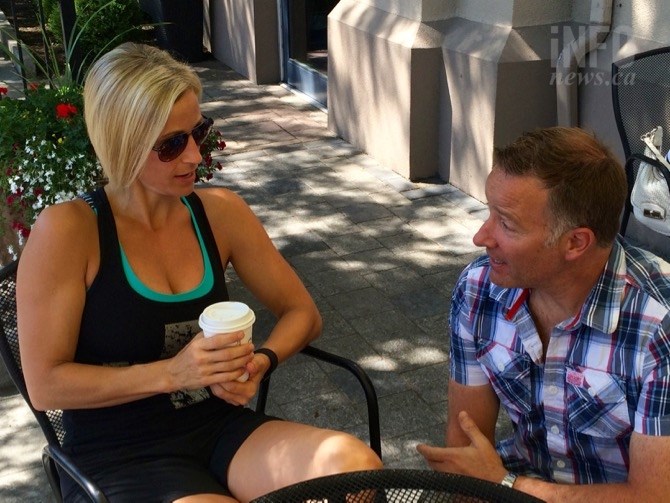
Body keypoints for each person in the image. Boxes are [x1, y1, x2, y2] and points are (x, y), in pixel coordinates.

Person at [16, 42, 382, 502]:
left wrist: (260, 362)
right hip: (119, 453)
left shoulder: (220, 212)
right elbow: (46, 385)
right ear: (122, 143)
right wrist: (172, 373)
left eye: (198, 131)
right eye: (172, 144)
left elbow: (301, 313)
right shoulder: (70, 230)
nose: (195, 156)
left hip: (217, 427)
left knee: (357, 472)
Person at [416, 127, 670, 502]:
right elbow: (465, 455)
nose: (481, 237)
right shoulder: (480, 288)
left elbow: (653, 496)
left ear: (575, 242)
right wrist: (483, 485)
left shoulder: (657, 326)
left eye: (506, 223)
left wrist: (506, 485)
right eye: (490, 213)